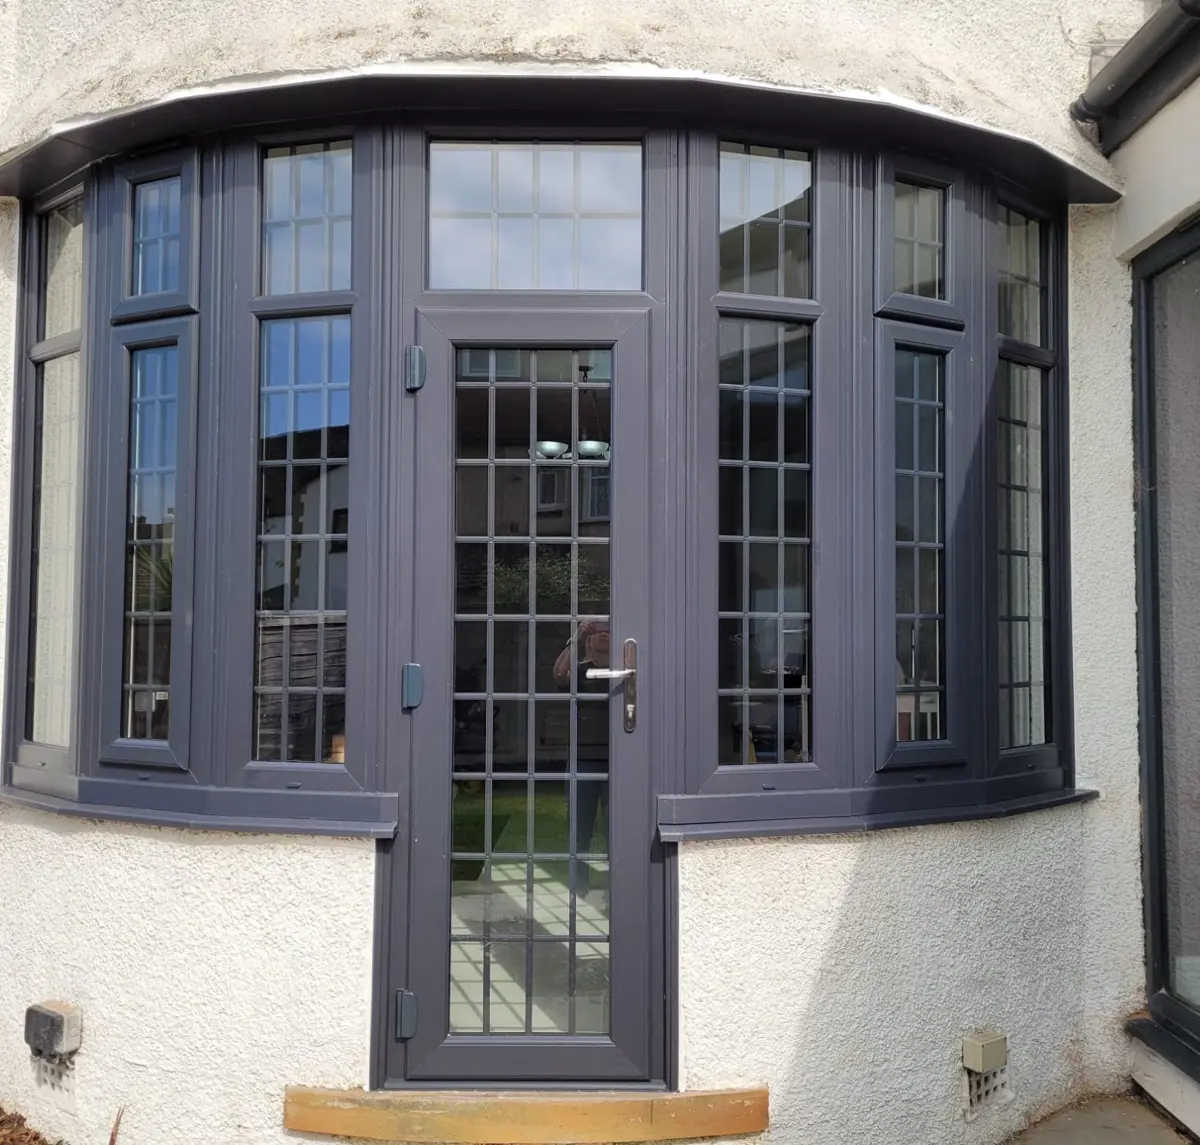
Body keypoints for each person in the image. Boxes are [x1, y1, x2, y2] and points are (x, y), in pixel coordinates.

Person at [553, 618, 610, 904]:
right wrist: (575, 637)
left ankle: (618, 889)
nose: (602, 636)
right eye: (597, 632)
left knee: (619, 828)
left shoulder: (626, 671)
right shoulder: (579, 672)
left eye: (608, 632)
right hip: (583, 760)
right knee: (580, 829)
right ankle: (578, 890)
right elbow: (559, 675)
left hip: (620, 762)